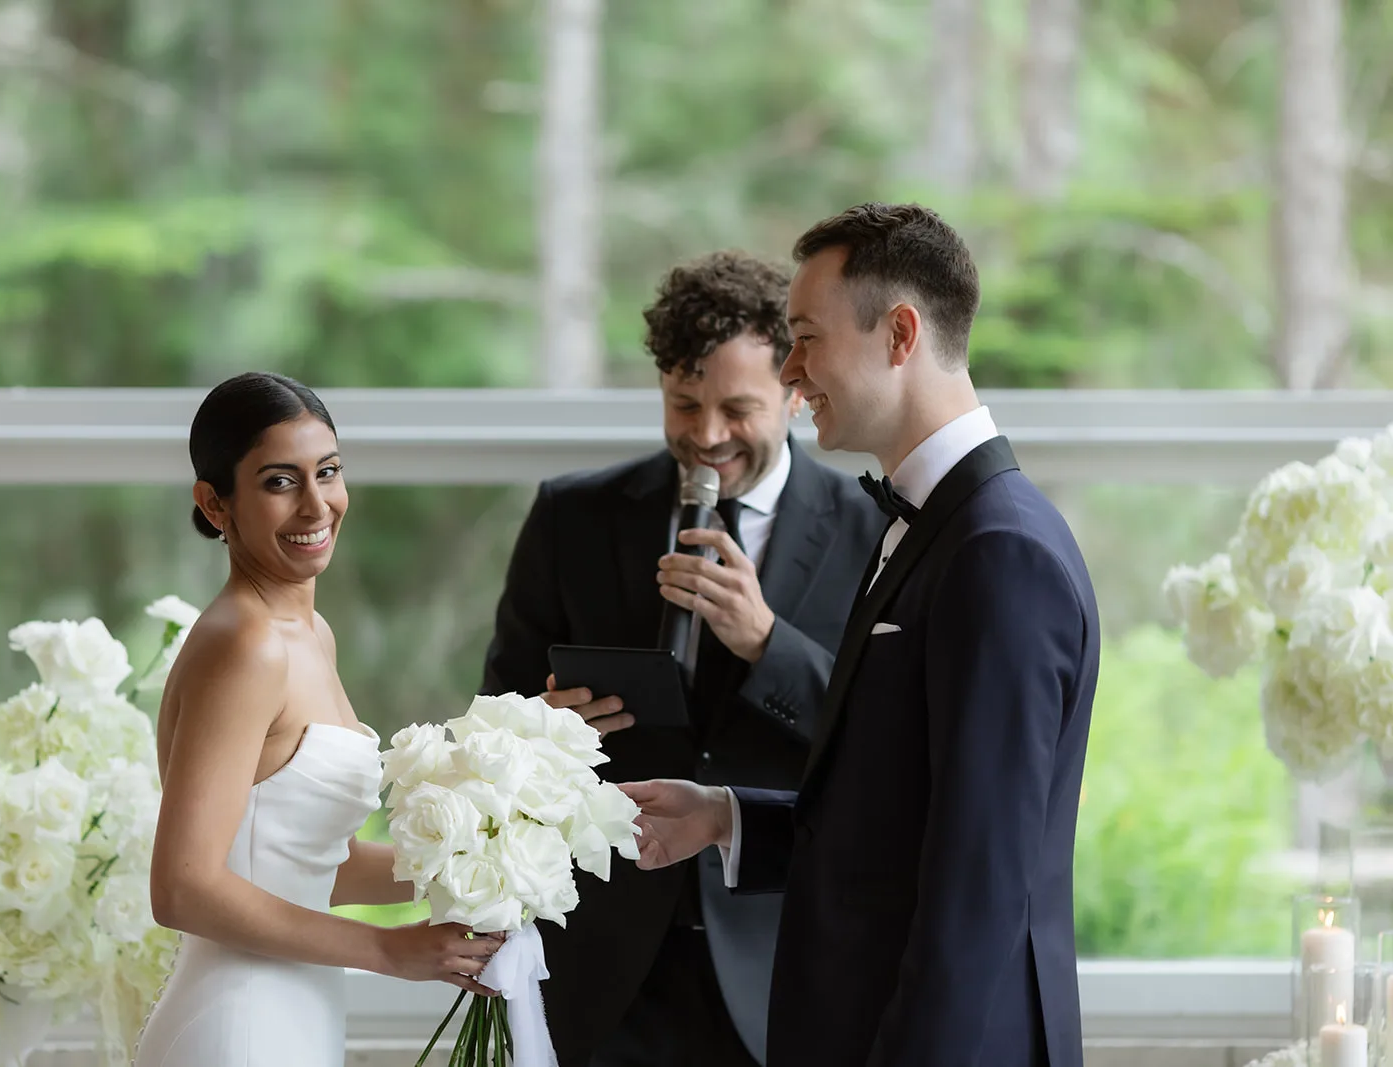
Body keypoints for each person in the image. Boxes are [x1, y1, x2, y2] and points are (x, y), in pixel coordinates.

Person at [621, 204, 1101, 1067]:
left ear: (901, 333)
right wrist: (724, 817)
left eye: (805, 336)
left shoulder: (1000, 552)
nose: (793, 369)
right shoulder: (933, 526)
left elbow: (975, 889)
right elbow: (892, 828)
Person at [481, 252, 888, 1067]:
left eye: (737, 407)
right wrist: (540, 725)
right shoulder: (574, 516)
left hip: (784, 964)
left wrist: (770, 644)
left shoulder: (872, 528)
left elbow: (887, 746)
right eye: (684, 404)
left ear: (794, 389)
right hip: (607, 972)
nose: (706, 436)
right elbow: (493, 720)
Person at [136, 372, 500, 1067]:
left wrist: (480, 857)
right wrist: (390, 948)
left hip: (296, 1011)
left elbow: (306, 865)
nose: (316, 505)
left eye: (327, 472)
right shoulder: (246, 645)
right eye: (279, 481)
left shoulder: (311, 633)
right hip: (237, 1024)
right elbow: (182, 886)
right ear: (215, 503)